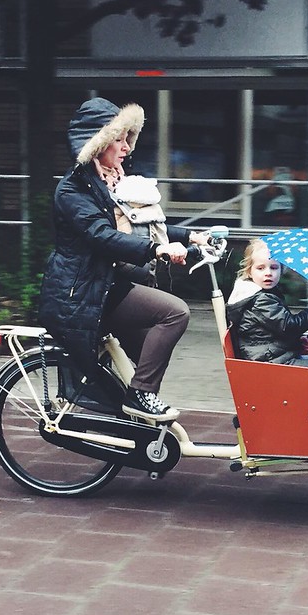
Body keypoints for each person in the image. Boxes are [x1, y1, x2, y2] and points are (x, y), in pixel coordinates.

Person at [38, 97, 207, 422]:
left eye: (128, 137)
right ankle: (140, 397)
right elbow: (102, 235)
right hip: (86, 293)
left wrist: (189, 236)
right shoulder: (73, 190)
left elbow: (139, 223)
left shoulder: (108, 181)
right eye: (118, 138)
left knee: (149, 353)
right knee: (175, 314)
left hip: (109, 284)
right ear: (96, 142)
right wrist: (155, 250)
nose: (126, 146)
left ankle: (135, 424)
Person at [226, 238, 308, 368]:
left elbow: (275, 331)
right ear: (249, 271)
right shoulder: (260, 300)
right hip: (265, 360)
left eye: (274, 267)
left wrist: (297, 342)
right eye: (260, 268)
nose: (268, 273)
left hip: (271, 354)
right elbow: (289, 326)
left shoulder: (265, 294)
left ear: (281, 270)